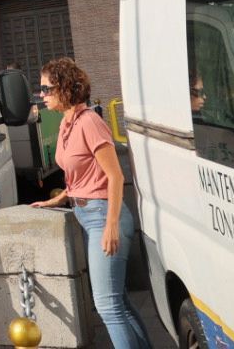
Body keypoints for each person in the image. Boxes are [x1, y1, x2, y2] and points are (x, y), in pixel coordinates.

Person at [30, 57, 153, 349]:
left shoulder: (90, 122)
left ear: (63, 88)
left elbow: (114, 175)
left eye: (46, 89)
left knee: (107, 305)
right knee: (118, 301)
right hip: (87, 214)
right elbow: (79, 174)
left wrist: (110, 226)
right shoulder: (66, 124)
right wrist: (59, 198)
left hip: (104, 216)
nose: (41, 95)